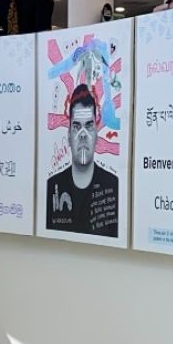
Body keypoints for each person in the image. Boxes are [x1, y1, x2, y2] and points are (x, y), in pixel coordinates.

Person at [45, 84, 118, 237]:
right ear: (69, 135)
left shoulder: (113, 187)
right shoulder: (52, 187)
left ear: (97, 134)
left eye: (89, 126)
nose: (83, 135)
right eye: (77, 126)